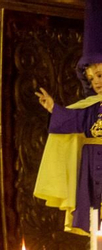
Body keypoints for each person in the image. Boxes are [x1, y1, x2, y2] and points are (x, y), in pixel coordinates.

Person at [35, 0, 102, 234]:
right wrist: (54, 108)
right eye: (92, 78)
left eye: (101, 75)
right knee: (94, 215)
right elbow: (75, 121)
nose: (96, 82)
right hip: (91, 166)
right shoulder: (89, 106)